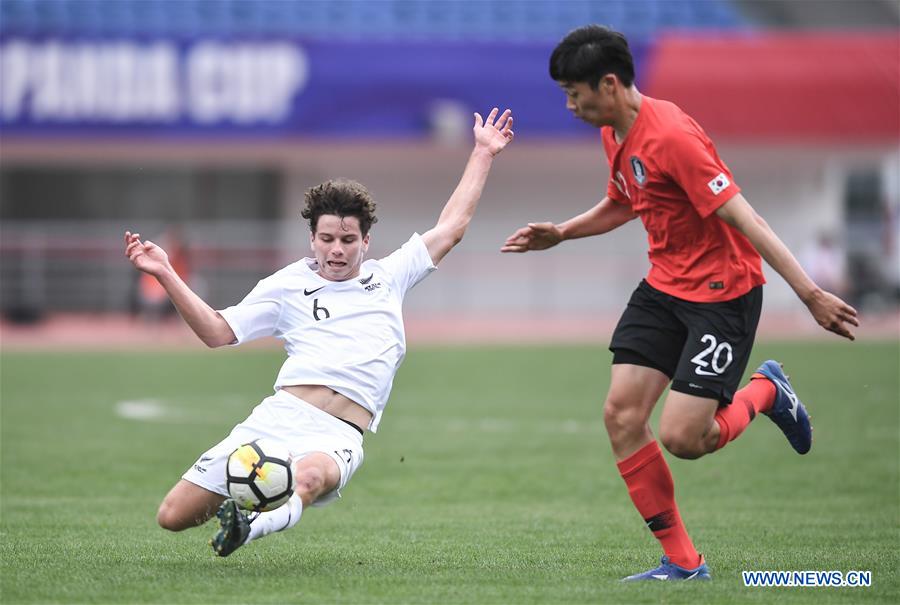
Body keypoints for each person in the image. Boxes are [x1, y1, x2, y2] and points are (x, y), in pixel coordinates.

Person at [501, 25, 858, 582]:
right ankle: (684, 563)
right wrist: (564, 232)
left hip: (723, 293)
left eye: (576, 92)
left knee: (685, 439)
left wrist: (809, 293)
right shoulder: (614, 133)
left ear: (611, 84)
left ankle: (765, 393)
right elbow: (626, 200)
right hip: (665, 287)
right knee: (621, 415)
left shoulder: (672, 136)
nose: (570, 105)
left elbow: (746, 218)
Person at [124, 107, 514, 557]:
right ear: (312, 238)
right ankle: (250, 498)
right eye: (327, 238)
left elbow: (452, 227)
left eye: (348, 240)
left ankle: (247, 528)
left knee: (308, 479)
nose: (337, 249)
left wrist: (483, 152)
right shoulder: (286, 285)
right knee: (172, 516)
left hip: (338, 434)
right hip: (277, 418)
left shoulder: (389, 277)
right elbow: (216, 332)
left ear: (366, 241)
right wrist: (166, 273)